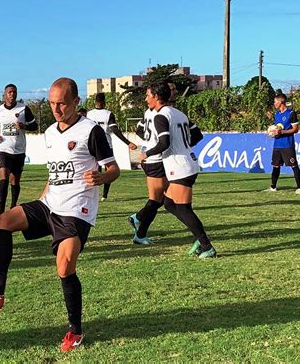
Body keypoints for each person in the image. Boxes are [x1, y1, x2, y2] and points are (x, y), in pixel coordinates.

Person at [0, 78, 120, 352]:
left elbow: (114, 169)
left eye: (62, 103)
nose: (56, 109)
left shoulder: (90, 131)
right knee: (2, 222)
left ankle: (76, 332)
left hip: (76, 212)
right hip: (50, 203)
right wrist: (43, 198)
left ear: (76, 102)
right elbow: (54, 174)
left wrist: (101, 176)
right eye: (52, 103)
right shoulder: (49, 132)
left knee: (64, 267)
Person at [139, 81, 216, 259]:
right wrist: (184, 147)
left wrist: (146, 154)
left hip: (180, 167)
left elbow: (163, 143)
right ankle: (200, 239)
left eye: (148, 95)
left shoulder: (160, 116)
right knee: (169, 203)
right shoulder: (179, 113)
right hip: (187, 162)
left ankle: (206, 245)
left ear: (157, 97)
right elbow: (197, 135)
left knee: (182, 208)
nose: (146, 99)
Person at [128, 82, 178, 245]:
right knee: (157, 200)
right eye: (173, 90)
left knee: (161, 199)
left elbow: (139, 130)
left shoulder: (153, 111)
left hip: (155, 158)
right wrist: (152, 144)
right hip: (154, 159)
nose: (175, 92)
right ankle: (139, 230)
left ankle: (139, 219)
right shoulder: (160, 112)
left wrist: (149, 141)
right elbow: (161, 138)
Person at [0, 84, 38, 214]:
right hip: (4, 150)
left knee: (14, 181)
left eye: (14, 92)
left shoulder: (23, 109)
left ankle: (12, 208)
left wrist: (24, 126)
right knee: (4, 178)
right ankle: (1, 213)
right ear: (5, 94)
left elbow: (34, 125)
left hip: (19, 151)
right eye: (10, 92)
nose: (12, 94)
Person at [87, 92, 137, 200]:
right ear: (104, 102)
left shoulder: (89, 114)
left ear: (95, 102)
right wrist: (128, 143)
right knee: (109, 170)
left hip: (92, 145)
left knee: (94, 169)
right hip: (106, 145)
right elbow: (115, 130)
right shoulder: (108, 114)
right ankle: (104, 195)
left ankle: (93, 194)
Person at [265, 93, 300, 194]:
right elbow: (277, 127)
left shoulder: (291, 113)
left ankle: (299, 188)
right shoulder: (277, 114)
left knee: (293, 165)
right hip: (277, 145)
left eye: (275, 102)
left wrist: (281, 132)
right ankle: (273, 187)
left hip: (287, 145)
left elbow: (295, 129)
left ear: (281, 101)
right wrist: (272, 132)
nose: (274, 104)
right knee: (276, 166)